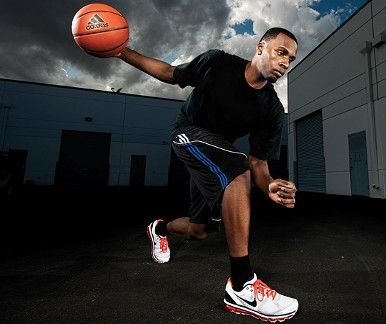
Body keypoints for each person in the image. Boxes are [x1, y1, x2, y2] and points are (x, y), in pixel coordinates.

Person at [116, 27, 299, 322]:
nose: (285, 63)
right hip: (187, 134)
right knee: (236, 169)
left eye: (290, 59)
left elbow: (259, 163)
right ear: (261, 47)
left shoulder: (272, 109)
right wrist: (123, 52)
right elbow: (169, 73)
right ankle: (242, 286)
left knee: (200, 231)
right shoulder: (218, 63)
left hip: (215, 154)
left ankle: (160, 228)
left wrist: (270, 186)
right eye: (281, 52)